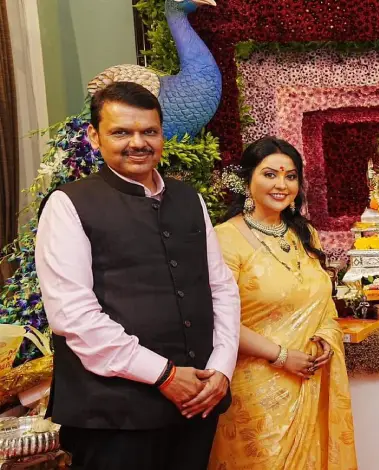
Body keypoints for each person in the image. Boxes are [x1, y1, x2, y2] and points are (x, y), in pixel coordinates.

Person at [35, 82, 241, 470]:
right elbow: (73, 316)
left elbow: (220, 288)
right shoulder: (69, 204)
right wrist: (163, 375)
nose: (138, 142)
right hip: (115, 415)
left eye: (149, 131)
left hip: (197, 402)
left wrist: (221, 368)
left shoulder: (188, 199)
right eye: (121, 132)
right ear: (94, 137)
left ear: (162, 135)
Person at [208, 137, 358, 469]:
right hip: (257, 392)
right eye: (270, 174)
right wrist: (281, 356)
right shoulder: (223, 238)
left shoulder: (305, 234)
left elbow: (323, 303)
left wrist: (325, 338)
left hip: (310, 380)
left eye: (290, 176)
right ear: (248, 181)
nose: (281, 184)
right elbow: (219, 321)